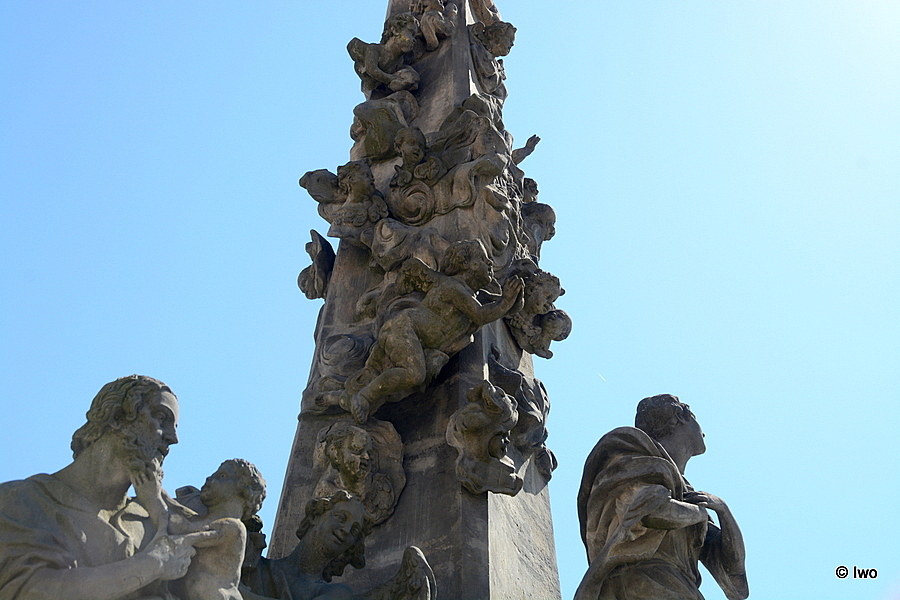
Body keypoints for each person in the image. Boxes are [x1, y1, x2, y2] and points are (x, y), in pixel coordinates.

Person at [0, 375, 217, 600]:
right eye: (161, 417)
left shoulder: (152, 523)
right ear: (116, 416)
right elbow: (30, 591)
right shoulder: (21, 500)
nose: (173, 438)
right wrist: (151, 564)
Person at [575, 394, 748, 600]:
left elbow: (732, 571)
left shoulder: (688, 494)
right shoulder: (631, 453)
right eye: (694, 417)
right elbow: (649, 511)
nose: (703, 431)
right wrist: (701, 513)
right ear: (679, 417)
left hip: (678, 586)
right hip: (640, 582)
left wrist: (723, 510)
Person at [344, 240, 523, 423]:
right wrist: (506, 301)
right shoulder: (453, 287)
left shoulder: (471, 294)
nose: (490, 263)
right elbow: (481, 315)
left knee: (412, 374)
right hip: (404, 329)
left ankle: (364, 394)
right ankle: (365, 396)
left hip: (412, 335)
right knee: (414, 374)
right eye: (483, 259)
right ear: (465, 264)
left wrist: (513, 301)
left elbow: (495, 309)